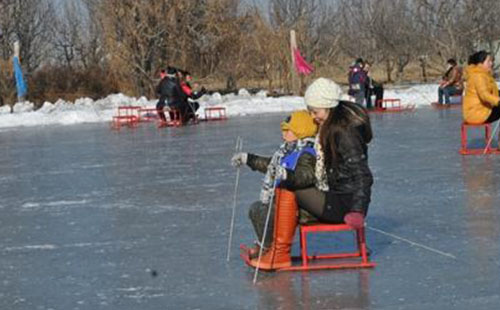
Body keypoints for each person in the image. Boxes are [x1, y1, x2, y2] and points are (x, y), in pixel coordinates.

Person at [231, 110, 318, 270]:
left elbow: (306, 175)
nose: (283, 134)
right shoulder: (288, 151)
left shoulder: (307, 153)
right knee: (258, 209)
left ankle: (273, 250)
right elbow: (271, 166)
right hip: (285, 203)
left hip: (301, 207)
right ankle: (267, 246)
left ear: (300, 131)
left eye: (288, 130)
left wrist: (286, 174)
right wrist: (248, 159)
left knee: (261, 211)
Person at [295, 77, 373, 231]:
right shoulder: (331, 127)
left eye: (315, 112)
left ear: (328, 106)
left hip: (345, 204)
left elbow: (362, 174)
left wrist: (358, 211)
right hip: (335, 194)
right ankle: (276, 245)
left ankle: (278, 249)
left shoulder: (344, 132)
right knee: (289, 183)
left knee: (291, 188)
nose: (312, 117)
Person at [463, 50, 500, 124]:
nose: (491, 63)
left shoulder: (482, 74)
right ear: (480, 63)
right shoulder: (478, 76)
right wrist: (498, 101)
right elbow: (484, 95)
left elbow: (491, 91)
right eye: (488, 61)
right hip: (477, 113)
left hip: (481, 109)